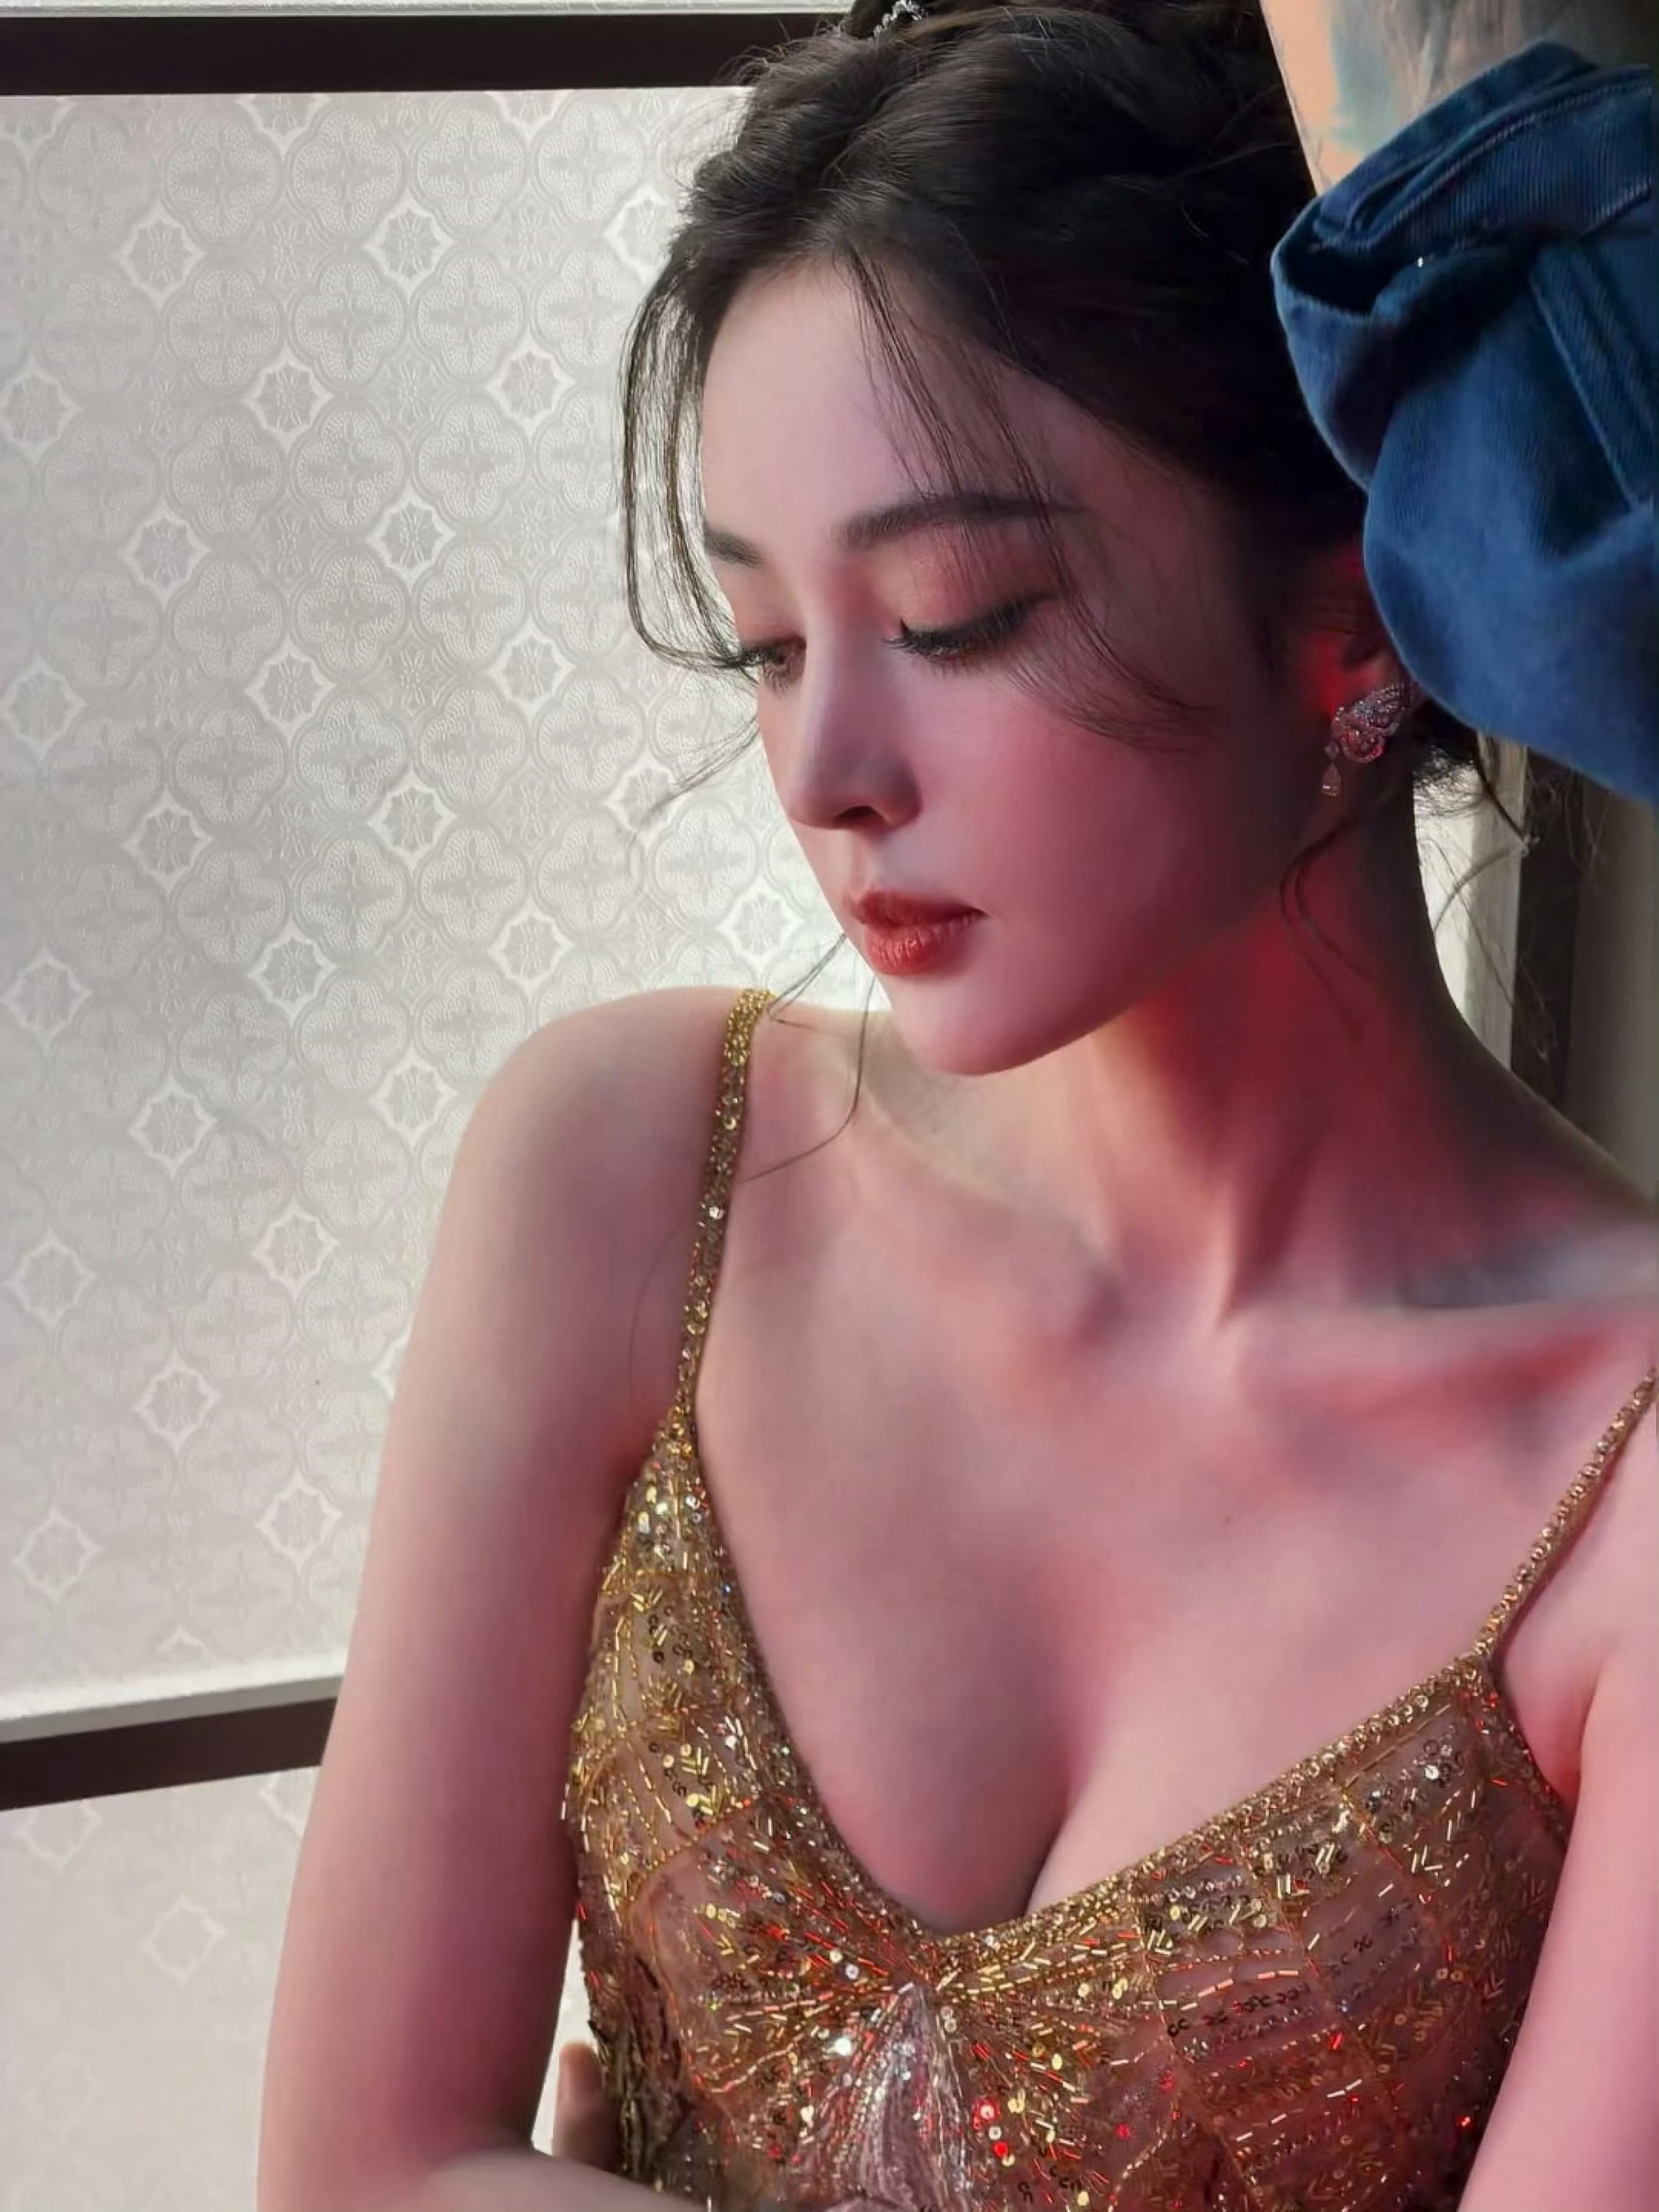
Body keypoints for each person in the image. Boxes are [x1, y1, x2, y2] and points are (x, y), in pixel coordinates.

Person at [254, 6, 1659, 2211]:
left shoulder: (1627, 1475)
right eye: (768, 645)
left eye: (957, 616)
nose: (825, 777)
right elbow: (359, 2174)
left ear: (1355, 628)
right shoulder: (632, 1169)